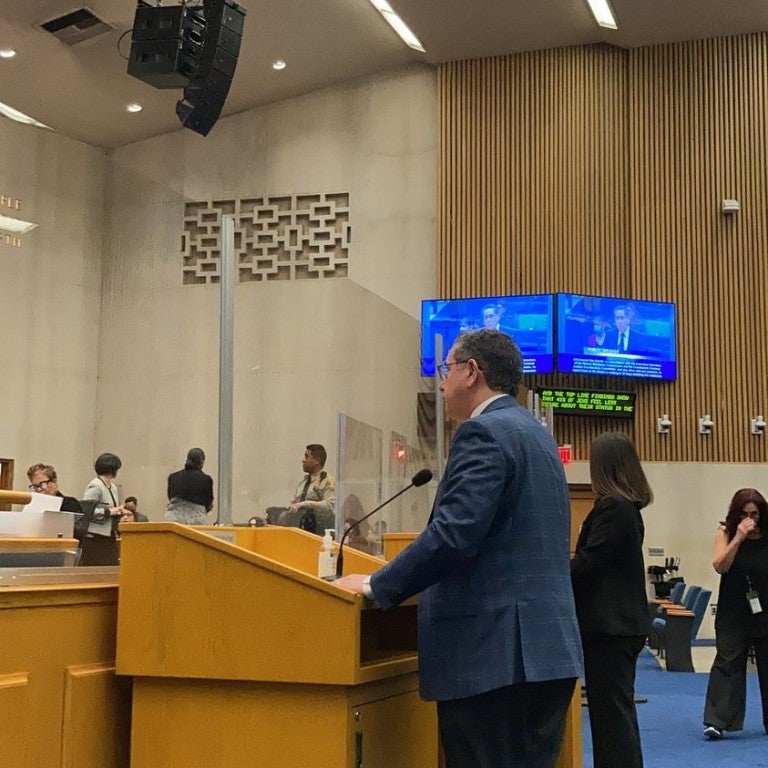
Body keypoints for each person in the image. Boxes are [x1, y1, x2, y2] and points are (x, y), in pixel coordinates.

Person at [337, 329, 582, 768]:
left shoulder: (484, 433)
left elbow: (453, 535)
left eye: (446, 369)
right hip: (543, 654)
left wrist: (377, 583)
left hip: (495, 661)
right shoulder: (536, 434)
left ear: (472, 372)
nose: (442, 382)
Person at [570, 432, 652, 768]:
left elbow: (590, 562)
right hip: (620, 626)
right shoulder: (626, 508)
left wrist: (550, 570)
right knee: (615, 714)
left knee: (611, 718)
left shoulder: (613, 507)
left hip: (611, 628)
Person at [703, 488, 768, 739]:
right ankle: (717, 721)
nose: (750, 517)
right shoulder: (726, 532)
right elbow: (720, 565)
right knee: (727, 662)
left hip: (764, 609)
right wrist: (738, 538)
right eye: (745, 513)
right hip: (734, 610)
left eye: (755, 513)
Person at [277, 444, 336, 534]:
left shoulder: (327, 481)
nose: (303, 460)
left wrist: (306, 504)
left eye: (307, 456)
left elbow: (329, 506)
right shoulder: (303, 483)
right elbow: (294, 504)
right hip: (298, 530)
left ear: (317, 460)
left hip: (317, 532)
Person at [165, 448, 214, 525]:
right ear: (202, 462)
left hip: (173, 520)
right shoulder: (206, 479)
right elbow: (208, 503)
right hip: (197, 521)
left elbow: (170, 497)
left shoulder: (173, 477)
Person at [83, 452, 124, 535]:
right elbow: (86, 510)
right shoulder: (95, 485)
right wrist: (108, 512)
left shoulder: (113, 487)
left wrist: (119, 510)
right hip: (96, 534)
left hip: (111, 532)